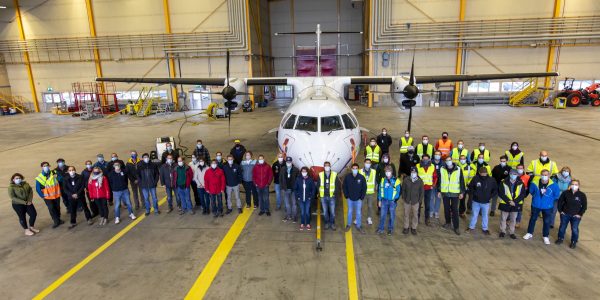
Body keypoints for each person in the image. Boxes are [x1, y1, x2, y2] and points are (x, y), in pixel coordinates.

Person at [523, 169, 561, 245]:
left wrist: (549, 200)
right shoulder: (534, 183)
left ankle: (545, 236)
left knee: (547, 221)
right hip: (536, 205)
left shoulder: (554, 185)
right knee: (533, 219)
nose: (544, 176)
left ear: (549, 175)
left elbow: (556, 195)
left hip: (547, 206)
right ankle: (529, 233)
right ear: (540, 175)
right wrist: (536, 197)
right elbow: (531, 191)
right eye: (543, 175)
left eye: (546, 175)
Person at [465, 167, 497, 235]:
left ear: (487, 173)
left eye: (484, 173)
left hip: (486, 202)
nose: (483, 174)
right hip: (476, 201)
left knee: (485, 216)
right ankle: (471, 227)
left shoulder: (491, 180)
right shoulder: (475, 178)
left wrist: (489, 196)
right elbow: (471, 187)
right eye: (482, 173)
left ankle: (485, 229)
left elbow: (495, 190)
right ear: (479, 173)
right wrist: (474, 194)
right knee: (474, 215)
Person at [438, 157, 465, 235]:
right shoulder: (442, 169)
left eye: (449, 160)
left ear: (452, 161)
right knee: (446, 209)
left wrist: (461, 192)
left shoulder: (458, 169)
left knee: (455, 210)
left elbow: (461, 181)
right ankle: (448, 222)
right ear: (445, 162)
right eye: (446, 160)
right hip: (445, 193)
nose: (448, 161)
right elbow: (440, 180)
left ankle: (456, 227)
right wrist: (439, 190)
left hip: (455, 193)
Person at [556, 179, 586, 249]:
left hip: (576, 216)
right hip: (565, 214)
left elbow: (584, 206)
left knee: (574, 229)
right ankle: (560, 238)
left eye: (576, 185)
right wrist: (561, 211)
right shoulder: (565, 193)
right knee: (562, 227)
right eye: (572, 184)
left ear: (578, 186)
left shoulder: (582, 195)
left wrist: (580, 214)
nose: (574, 186)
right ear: (570, 185)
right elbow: (560, 202)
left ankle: (574, 241)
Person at [498, 169, 525, 239]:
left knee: (513, 219)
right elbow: (501, 193)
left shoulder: (521, 183)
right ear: (509, 174)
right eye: (512, 174)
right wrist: (509, 201)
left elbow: (522, 194)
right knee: (503, 218)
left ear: (517, 175)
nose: (513, 175)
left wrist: (515, 202)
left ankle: (511, 232)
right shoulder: (503, 182)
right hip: (505, 203)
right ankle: (502, 231)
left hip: (515, 204)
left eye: (515, 174)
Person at [35, 162, 64, 228]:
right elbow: (38, 188)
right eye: (44, 166)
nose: (46, 167)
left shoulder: (54, 172)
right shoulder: (39, 177)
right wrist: (43, 196)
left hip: (56, 195)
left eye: (47, 165)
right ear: (42, 167)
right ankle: (56, 221)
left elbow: (61, 179)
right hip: (47, 196)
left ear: (49, 166)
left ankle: (59, 219)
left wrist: (57, 177)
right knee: (51, 208)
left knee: (57, 207)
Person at [376, 165, 401, 235]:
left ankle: (390, 229)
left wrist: (395, 199)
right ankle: (381, 228)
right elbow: (380, 190)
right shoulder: (383, 180)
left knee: (392, 216)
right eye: (386, 171)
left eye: (389, 171)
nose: (387, 173)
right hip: (384, 201)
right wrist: (379, 200)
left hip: (392, 202)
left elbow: (399, 191)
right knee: (382, 215)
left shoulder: (396, 180)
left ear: (391, 172)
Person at [343, 164, 367, 233]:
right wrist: (346, 196)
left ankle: (359, 226)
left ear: (358, 169)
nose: (355, 169)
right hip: (350, 199)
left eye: (356, 168)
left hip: (358, 199)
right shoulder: (347, 177)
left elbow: (364, 188)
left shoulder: (361, 177)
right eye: (353, 168)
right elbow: (344, 186)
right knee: (349, 212)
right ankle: (348, 225)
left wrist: (361, 197)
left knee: (358, 212)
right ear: (351, 169)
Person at [416, 154, 437, 226]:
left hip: (428, 189)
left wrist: (433, 185)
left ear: (429, 159)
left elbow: (435, 176)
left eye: (427, 159)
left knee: (427, 205)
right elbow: (415, 176)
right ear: (421, 159)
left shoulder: (432, 166)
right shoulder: (417, 166)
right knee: (418, 204)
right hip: (420, 189)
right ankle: (417, 218)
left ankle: (427, 219)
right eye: (424, 159)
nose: (425, 160)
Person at [402, 167, 424, 235]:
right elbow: (403, 190)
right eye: (412, 172)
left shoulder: (420, 181)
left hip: (415, 201)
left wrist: (419, 200)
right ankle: (406, 227)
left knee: (415, 215)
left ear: (417, 173)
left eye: (414, 172)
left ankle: (414, 228)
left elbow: (422, 192)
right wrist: (404, 198)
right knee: (406, 214)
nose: (413, 174)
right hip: (407, 201)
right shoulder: (406, 180)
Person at [318, 161, 338, 230]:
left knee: (332, 212)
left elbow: (337, 185)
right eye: (325, 166)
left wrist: (335, 194)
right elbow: (318, 185)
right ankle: (326, 223)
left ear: (330, 166)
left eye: (328, 165)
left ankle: (332, 223)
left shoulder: (335, 174)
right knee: (325, 212)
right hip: (323, 196)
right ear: (324, 167)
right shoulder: (320, 174)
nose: (327, 167)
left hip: (331, 196)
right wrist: (320, 194)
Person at [280, 157, 299, 222]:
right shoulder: (283, 169)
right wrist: (282, 187)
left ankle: (295, 217)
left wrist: (296, 189)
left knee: (294, 204)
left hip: (293, 190)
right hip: (285, 189)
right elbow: (280, 179)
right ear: (286, 162)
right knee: (287, 204)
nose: (288, 163)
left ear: (291, 162)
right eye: (287, 162)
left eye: (289, 162)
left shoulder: (296, 170)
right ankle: (288, 216)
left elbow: (298, 180)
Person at [359, 159, 377, 226]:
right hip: (363, 193)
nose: (368, 164)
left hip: (370, 193)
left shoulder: (373, 171)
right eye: (366, 162)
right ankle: (358, 218)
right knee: (360, 206)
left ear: (370, 164)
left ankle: (369, 218)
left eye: (369, 163)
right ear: (364, 163)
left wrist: (375, 187)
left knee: (369, 206)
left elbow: (375, 181)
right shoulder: (360, 171)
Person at [515, 164, 531, 228]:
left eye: (521, 168)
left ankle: (518, 221)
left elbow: (528, 187)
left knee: (519, 209)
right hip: (512, 195)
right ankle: (509, 219)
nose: (520, 169)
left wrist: (525, 195)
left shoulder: (527, 177)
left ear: (523, 169)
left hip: (521, 196)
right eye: (518, 168)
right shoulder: (513, 175)